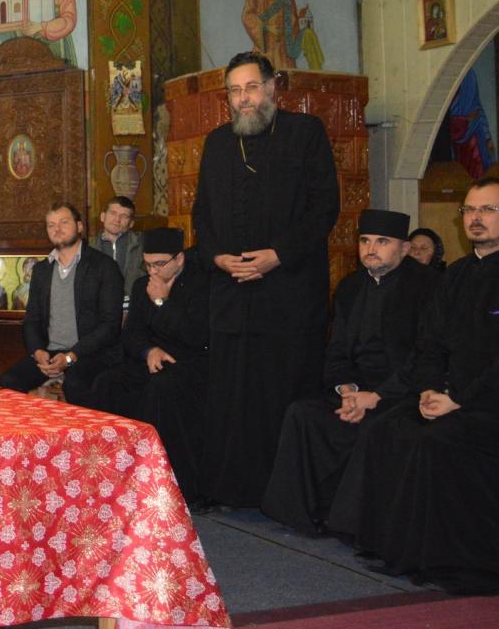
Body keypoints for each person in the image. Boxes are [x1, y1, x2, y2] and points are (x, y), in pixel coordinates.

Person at [191, 51, 339, 508]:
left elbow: (324, 209)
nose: (244, 99)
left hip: (287, 296)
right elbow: (202, 214)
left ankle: (283, 497)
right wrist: (217, 258)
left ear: (272, 87)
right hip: (232, 297)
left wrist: (278, 256)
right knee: (232, 397)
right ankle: (231, 489)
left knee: (279, 393)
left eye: (251, 88)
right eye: (235, 91)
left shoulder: (305, 133)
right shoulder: (218, 143)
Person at [339, 178, 499, 594]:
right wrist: (428, 390)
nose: (476, 218)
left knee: (434, 441)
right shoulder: (457, 274)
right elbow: (429, 343)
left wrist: (458, 400)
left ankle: (452, 561)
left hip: (487, 404)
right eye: (470, 210)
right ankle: (399, 549)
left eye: (488, 210)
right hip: (448, 396)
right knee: (388, 428)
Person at [260, 210, 439, 535]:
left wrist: (377, 396)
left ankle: (354, 526)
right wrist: (347, 389)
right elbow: (337, 348)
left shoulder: (428, 287)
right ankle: (304, 514)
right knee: (302, 413)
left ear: (404, 249)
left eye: (382, 242)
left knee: (376, 427)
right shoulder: (350, 286)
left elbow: (425, 355)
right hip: (357, 388)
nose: (371, 249)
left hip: (404, 392)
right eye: (365, 241)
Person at [93, 229, 212, 508]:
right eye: (147, 265)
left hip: (190, 363)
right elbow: (132, 334)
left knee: (162, 389)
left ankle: (169, 485)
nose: (153, 271)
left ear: (179, 259)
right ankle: (111, 476)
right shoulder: (141, 286)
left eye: (159, 264)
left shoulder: (202, 285)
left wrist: (162, 302)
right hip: (151, 361)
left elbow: (197, 336)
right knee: (107, 382)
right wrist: (148, 351)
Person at [0, 202, 124, 406]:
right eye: (51, 225)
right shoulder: (42, 270)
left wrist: (71, 356)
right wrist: (37, 352)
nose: (57, 229)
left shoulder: (104, 267)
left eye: (64, 222)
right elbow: (32, 320)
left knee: (76, 385)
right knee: (8, 382)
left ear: (79, 226)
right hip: (50, 353)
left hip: (90, 354)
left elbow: (110, 325)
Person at [89, 195, 143, 310]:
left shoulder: (142, 246)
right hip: (98, 308)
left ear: (131, 223)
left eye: (124, 216)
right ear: (103, 216)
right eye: (113, 213)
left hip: (135, 308)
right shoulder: (88, 247)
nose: (117, 220)